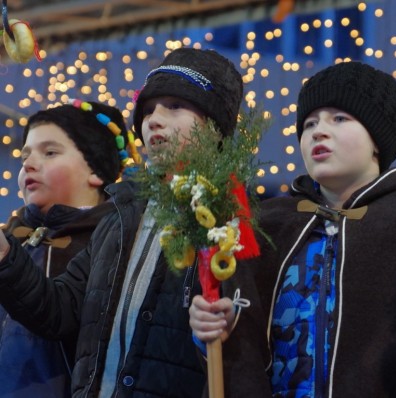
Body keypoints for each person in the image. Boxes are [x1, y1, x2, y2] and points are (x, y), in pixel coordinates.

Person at [189, 61, 396, 397]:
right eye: (310, 123)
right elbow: (234, 349)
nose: (318, 131)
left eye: (340, 118)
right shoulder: (267, 225)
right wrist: (212, 331)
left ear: (377, 139)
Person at [0, 47, 243, 397]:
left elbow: (250, 333)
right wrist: (6, 255)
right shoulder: (121, 216)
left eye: (174, 105)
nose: (153, 119)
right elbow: (60, 310)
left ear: (215, 124)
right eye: (147, 110)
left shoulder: (235, 216)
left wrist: (229, 320)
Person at [0, 101, 128, 397]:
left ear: (95, 171)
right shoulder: (13, 236)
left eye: (50, 152)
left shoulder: (108, 246)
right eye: (24, 156)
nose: (29, 164)